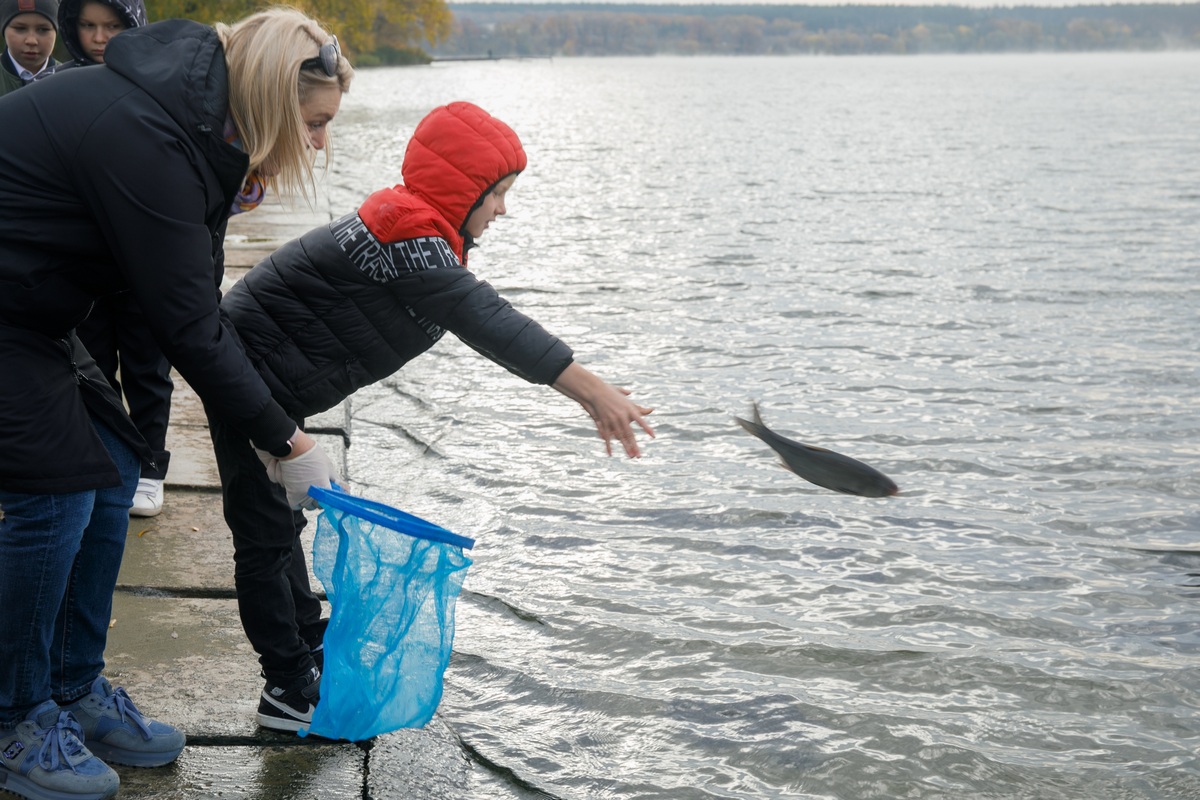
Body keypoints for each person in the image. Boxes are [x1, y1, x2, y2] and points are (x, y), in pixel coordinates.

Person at [213, 101, 655, 733]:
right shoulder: (408, 236)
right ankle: (286, 687)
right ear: (460, 190)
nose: (502, 209)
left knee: (280, 522)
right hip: (244, 378)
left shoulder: (416, 230)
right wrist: (593, 391)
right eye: (496, 194)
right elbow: (488, 319)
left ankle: (308, 646)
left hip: (273, 386)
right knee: (262, 536)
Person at [0, 8, 349, 800]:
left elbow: (184, 299)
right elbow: (190, 325)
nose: (318, 143)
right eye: (314, 123)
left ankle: (72, 687)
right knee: (55, 492)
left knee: (115, 464)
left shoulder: (199, 134)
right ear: (269, 98)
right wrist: (288, 440)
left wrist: (261, 422)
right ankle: (15, 713)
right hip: (14, 307)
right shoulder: (149, 135)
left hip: (33, 306)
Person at [54, 0, 175, 517]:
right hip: (83, 259)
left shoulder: (159, 85)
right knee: (92, 366)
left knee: (148, 367)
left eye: (113, 26)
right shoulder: (57, 85)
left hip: (145, 257)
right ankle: (103, 459)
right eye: (88, 25)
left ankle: (150, 466)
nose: (100, 37)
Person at [0, 0, 58, 96]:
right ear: (4, 30)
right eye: (20, 28)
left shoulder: (71, 80)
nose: (31, 41)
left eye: (43, 29)